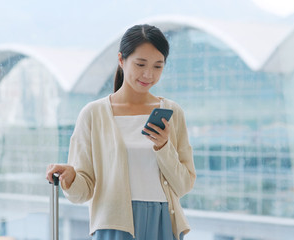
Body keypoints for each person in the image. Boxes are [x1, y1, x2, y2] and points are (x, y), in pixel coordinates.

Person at [46, 24, 196, 240]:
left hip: (163, 221)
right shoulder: (93, 114)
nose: (148, 74)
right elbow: (84, 190)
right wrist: (71, 178)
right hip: (115, 223)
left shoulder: (172, 112)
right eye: (140, 64)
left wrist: (164, 147)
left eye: (158, 66)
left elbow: (183, 185)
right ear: (121, 60)